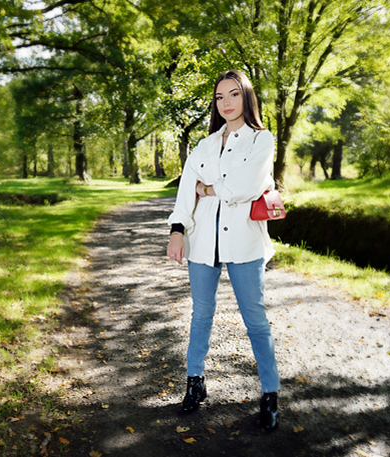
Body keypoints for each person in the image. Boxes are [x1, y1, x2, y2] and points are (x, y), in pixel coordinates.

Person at [166, 69, 280, 431]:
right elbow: (187, 188)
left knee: (255, 320)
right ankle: (195, 383)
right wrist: (177, 229)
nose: (226, 102)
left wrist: (209, 188)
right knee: (201, 315)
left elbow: (247, 186)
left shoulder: (262, 140)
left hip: (244, 241)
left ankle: (270, 394)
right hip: (202, 242)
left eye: (233, 94)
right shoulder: (204, 144)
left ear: (246, 97)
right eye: (219, 97)